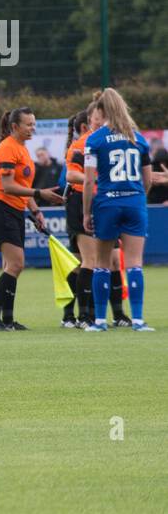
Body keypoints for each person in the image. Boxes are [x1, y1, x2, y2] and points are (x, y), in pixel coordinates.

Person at [0, 108, 65, 332]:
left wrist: (36, 212)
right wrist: (41, 194)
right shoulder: (8, 148)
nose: (32, 128)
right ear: (15, 126)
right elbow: (8, 186)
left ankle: (7, 320)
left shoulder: (22, 149)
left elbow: (23, 188)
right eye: (28, 124)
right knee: (16, 264)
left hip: (15, 211)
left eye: (34, 124)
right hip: (1, 209)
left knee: (13, 266)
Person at [83, 88, 153, 332]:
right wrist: (137, 196)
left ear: (101, 110)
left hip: (107, 203)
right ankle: (138, 320)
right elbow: (148, 180)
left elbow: (89, 182)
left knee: (102, 263)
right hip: (134, 202)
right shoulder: (138, 138)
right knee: (134, 263)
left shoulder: (95, 139)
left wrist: (85, 212)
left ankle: (100, 321)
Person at [61, 110, 97, 328]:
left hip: (79, 200)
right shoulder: (83, 144)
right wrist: (93, 180)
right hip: (80, 201)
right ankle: (86, 316)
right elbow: (71, 175)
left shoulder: (87, 142)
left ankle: (69, 316)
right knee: (89, 261)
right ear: (86, 125)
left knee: (77, 263)